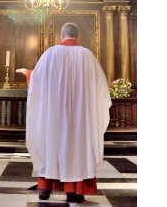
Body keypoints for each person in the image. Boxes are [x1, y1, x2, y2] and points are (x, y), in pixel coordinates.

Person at [19, 22, 111, 203]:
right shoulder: (87, 55)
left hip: (55, 115)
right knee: (77, 150)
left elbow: (38, 79)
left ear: (62, 35)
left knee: (50, 147)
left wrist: (27, 73)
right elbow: (100, 87)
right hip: (79, 116)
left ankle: (45, 189)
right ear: (77, 36)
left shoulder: (50, 53)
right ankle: (73, 192)